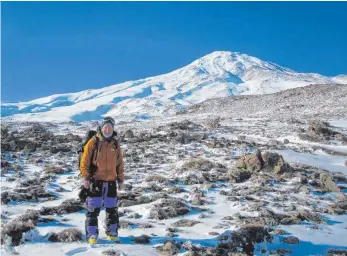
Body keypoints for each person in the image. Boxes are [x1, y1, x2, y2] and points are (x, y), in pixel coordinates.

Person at [80, 116, 124, 244]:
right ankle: (92, 235)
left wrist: (120, 180)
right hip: (95, 182)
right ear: (101, 128)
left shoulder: (115, 144)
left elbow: (120, 163)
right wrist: (86, 178)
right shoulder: (93, 142)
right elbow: (84, 162)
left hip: (111, 183)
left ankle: (112, 232)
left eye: (110, 128)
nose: (108, 130)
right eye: (105, 127)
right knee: (93, 210)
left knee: (112, 210)